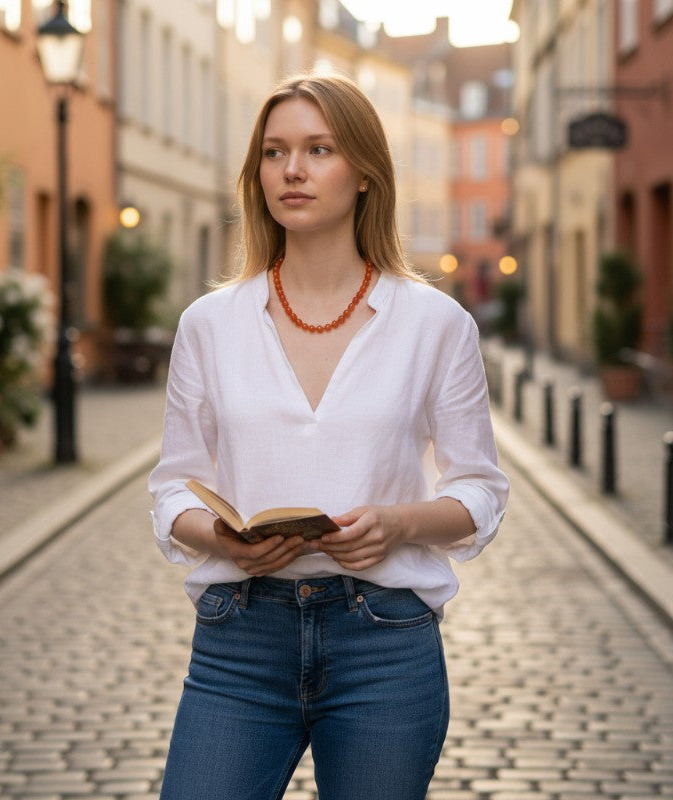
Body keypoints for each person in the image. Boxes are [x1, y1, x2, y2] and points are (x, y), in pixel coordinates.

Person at [148, 72, 509, 800]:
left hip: (383, 639)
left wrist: (398, 523)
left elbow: (480, 491)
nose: (293, 169)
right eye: (275, 152)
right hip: (239, 639)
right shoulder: (209, 325)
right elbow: (168, 490)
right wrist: (222, 537)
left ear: (365, 174)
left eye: (318, 149)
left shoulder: (436, 325)